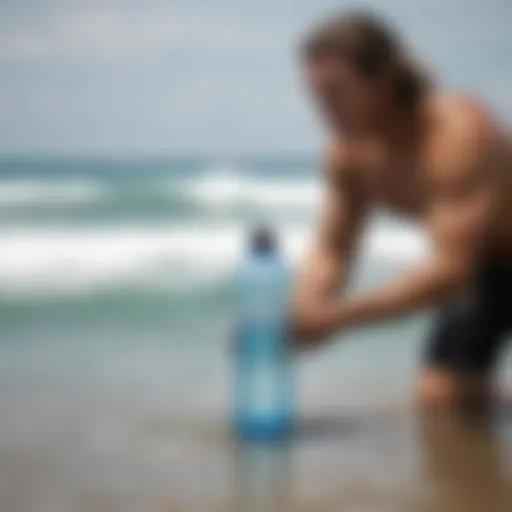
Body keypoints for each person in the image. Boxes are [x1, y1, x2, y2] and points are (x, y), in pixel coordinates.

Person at [292, 10, 512, 411]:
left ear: (385, 80)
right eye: (317, 96)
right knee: (440, 395)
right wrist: (306, 307)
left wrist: (338, 316)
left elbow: (449, 272)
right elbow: (333, 248)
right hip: (490, 267)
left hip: (482, 259)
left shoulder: (458, 134)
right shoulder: (348, 153)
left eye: (337, 94)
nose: (323, 111)